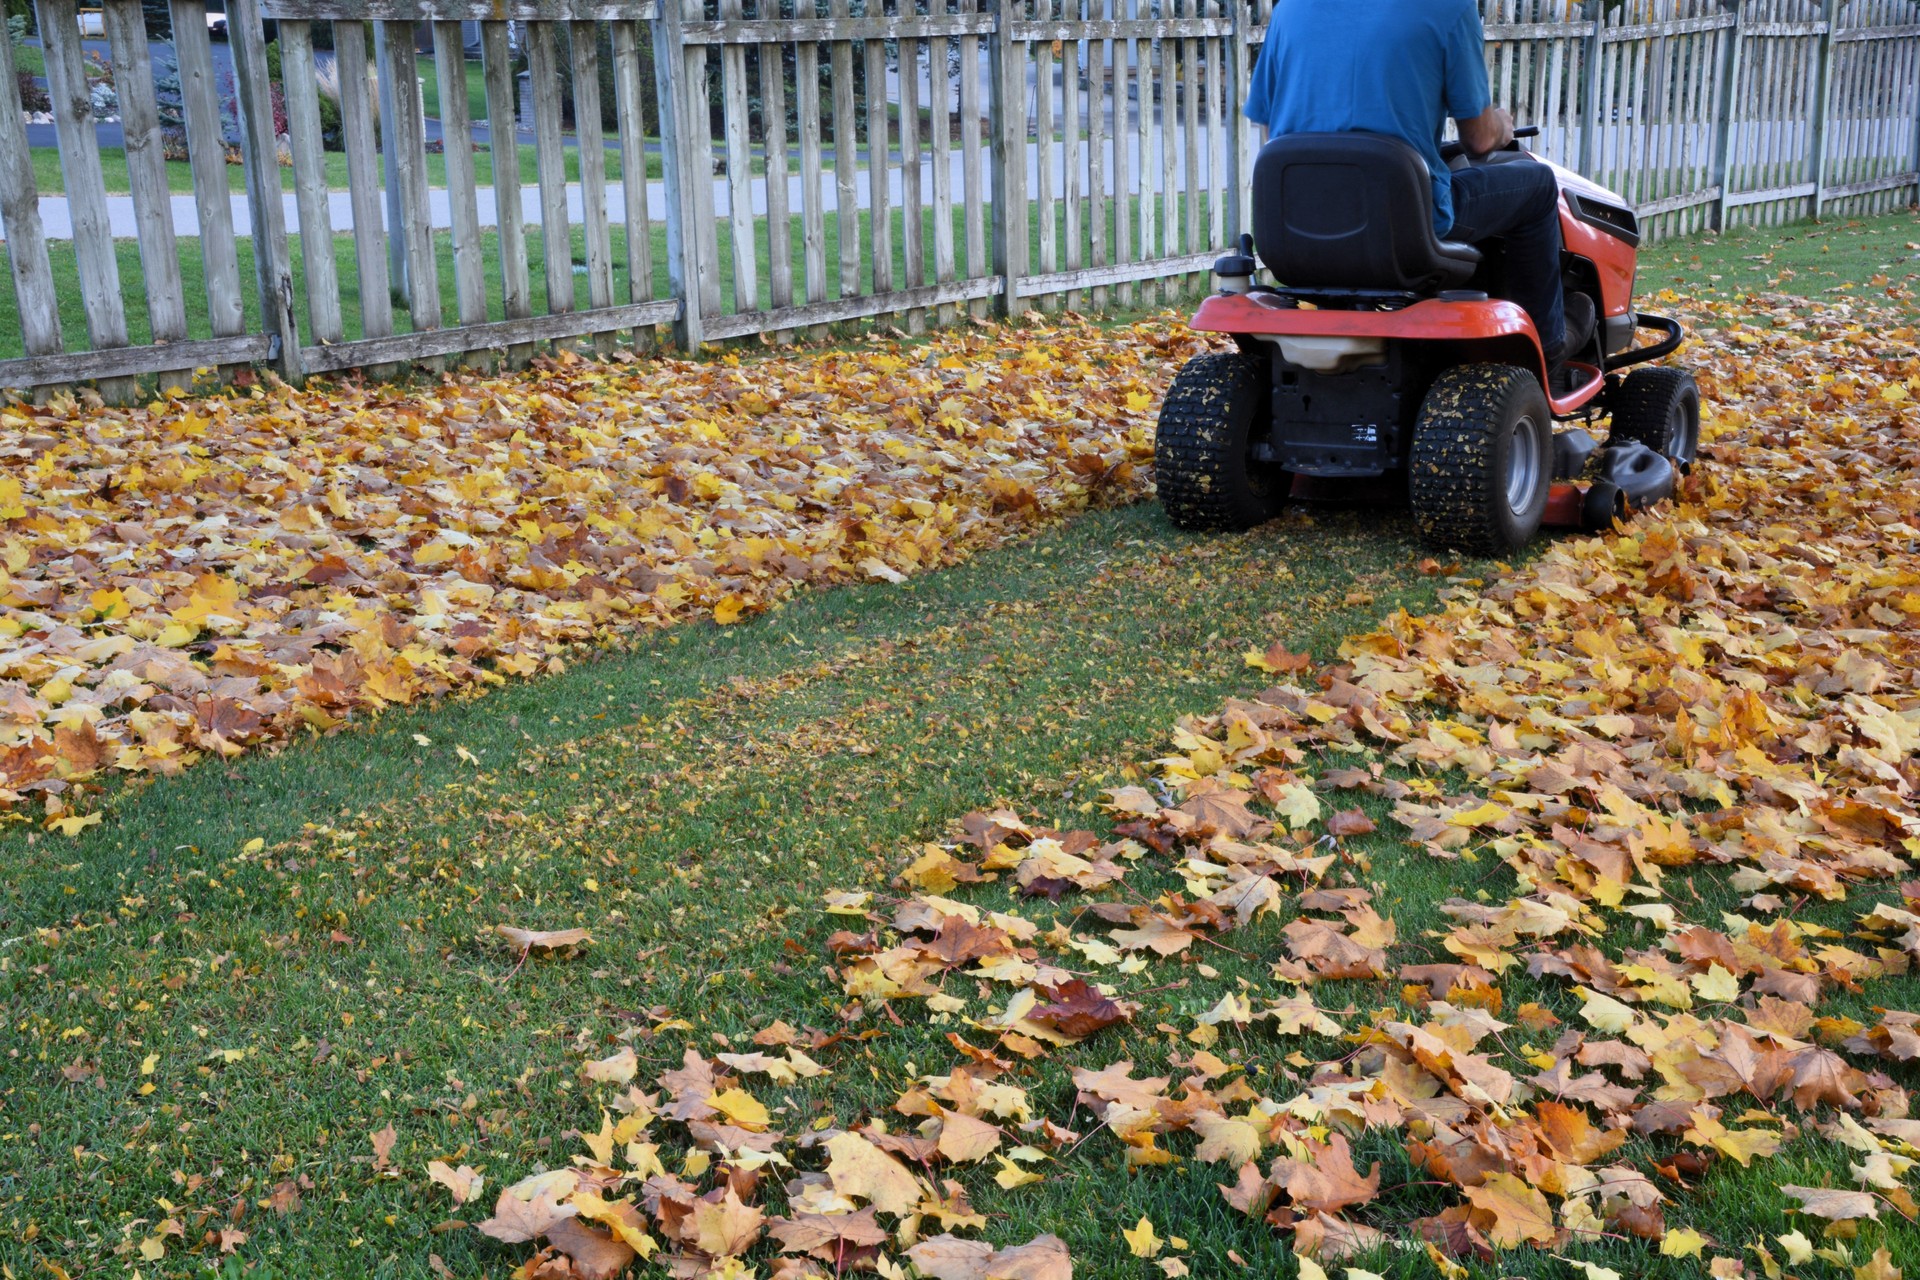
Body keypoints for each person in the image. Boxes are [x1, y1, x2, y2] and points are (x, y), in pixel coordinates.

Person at [1242, 0, 1595, 369]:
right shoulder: (1448, 8)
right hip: (1405, 226)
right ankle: (1547, 344)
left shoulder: (1290, 9)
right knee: (1538, 184)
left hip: (1296, 230)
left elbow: (1271, 132)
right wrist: (1502, 126)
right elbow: (1477, 138)